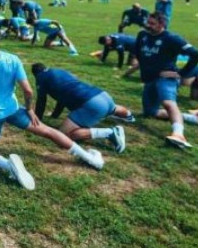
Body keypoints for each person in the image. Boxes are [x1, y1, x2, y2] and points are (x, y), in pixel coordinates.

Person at [0, 28, 105, 191]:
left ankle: (9, 166)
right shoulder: (14, 59)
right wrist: (30, 109)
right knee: (48, 131)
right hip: (14, 108)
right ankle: (89, 158)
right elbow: (28, 90)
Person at [130, 12, 198, 148]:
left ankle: (179, 134)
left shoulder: (172, 38)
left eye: (152, 24)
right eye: (148, 22)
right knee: (150, 112)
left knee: (168, 103)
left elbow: (195, 54)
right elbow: (137, 52)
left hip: (165, 78)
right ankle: (190, 118)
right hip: (149, 79)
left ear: (162, 24)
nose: (148, 25)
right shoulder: (142, 35)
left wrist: (181, 73)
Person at [32, 63, 131, 153]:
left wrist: (37, 121)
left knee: (64, 135)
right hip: (102, 95)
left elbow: (41, 101)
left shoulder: (41, 77)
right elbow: (61, 99)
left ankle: (109, 133)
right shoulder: (59, 71)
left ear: (35, 74)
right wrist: (54, 115)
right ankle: (129, 116)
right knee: (113, 108)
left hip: (92, 104)